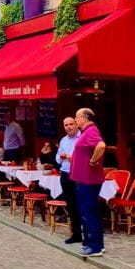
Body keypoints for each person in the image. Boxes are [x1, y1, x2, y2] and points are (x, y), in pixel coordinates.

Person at [70, 108, 107, 257]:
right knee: (91, 210)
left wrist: (92, 161)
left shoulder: (91, 131)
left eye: (77, 117)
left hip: (88, 179)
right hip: (85, 178)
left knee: (88, 211)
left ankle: (94, 246)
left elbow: (101, 145)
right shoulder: (87, 132)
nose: (75, 119)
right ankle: (98, 243)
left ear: (85, 117)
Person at [55, 117, 82, 245]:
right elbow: (57, 158)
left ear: (76, 124)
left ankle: (86, 234)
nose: (69, 127)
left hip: (79, 175)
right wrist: (60, 157)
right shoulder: (63, 140)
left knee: (81, 205)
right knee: (71, 206)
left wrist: (75, 158)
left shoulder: (82, 138)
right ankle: (76, 234)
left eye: (71, 124)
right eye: (66, 125)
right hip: (65, 174)